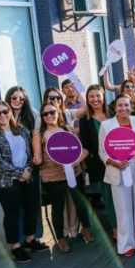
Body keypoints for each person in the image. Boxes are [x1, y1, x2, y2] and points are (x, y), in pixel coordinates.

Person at [0, 101, 48, 262]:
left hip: (27, 175)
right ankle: (15, 247)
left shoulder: (21, 129)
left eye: (5, 111)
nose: (2, 115)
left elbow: (30, 151)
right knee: (12, 213)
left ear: (10, 112)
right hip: (4, 181)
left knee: (31, 208)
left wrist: (26, 170)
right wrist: (20, 172)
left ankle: (30, 239)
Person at [32, 102, 93, 253]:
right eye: (45, 114)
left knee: (80, 202)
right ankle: (60, 238)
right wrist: (37, 160)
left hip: (74, 172)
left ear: (58, 112)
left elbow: (82, 149)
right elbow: (38, 157)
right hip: (53, 176)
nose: (49, 116)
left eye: (52, 112)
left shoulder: (68, 128)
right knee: (58, 207)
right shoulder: (39, 135)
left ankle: (86, 229)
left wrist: (77, 161)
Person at [99, 95, 135, 257]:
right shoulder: (106, 125)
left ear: (131, 106)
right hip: (118, 168)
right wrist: (114, 163)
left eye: (127, 105)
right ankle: (126, 243)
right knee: (122, 208)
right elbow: (102, 151)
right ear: (115, 108)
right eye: (120, 106)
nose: (124, 109)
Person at [79, 85, 117, 241]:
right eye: (91, 96)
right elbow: (86, 147)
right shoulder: (85, 121)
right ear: (87, 100)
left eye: (98, 96)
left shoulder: (114, 113)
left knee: (122, 197)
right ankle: (116, 229)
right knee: (109, 199)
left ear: (103, 96)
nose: (95, 99)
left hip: (120, 163)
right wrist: (72, 162)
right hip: (100, 167)